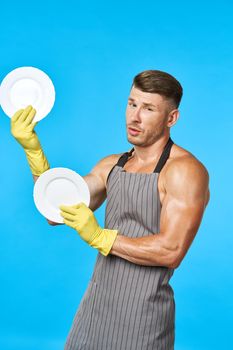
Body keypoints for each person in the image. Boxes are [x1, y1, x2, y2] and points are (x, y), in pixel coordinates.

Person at [11, 70, 210, 350]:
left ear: (171, 118)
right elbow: (54, 211)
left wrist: (101, 238)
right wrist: (33, 149)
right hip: (95, 310)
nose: (135, 117)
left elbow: (171, 250)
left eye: (148, 108)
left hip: (144, 319)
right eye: (132, 104)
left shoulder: (184, 171)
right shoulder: (111, 165)